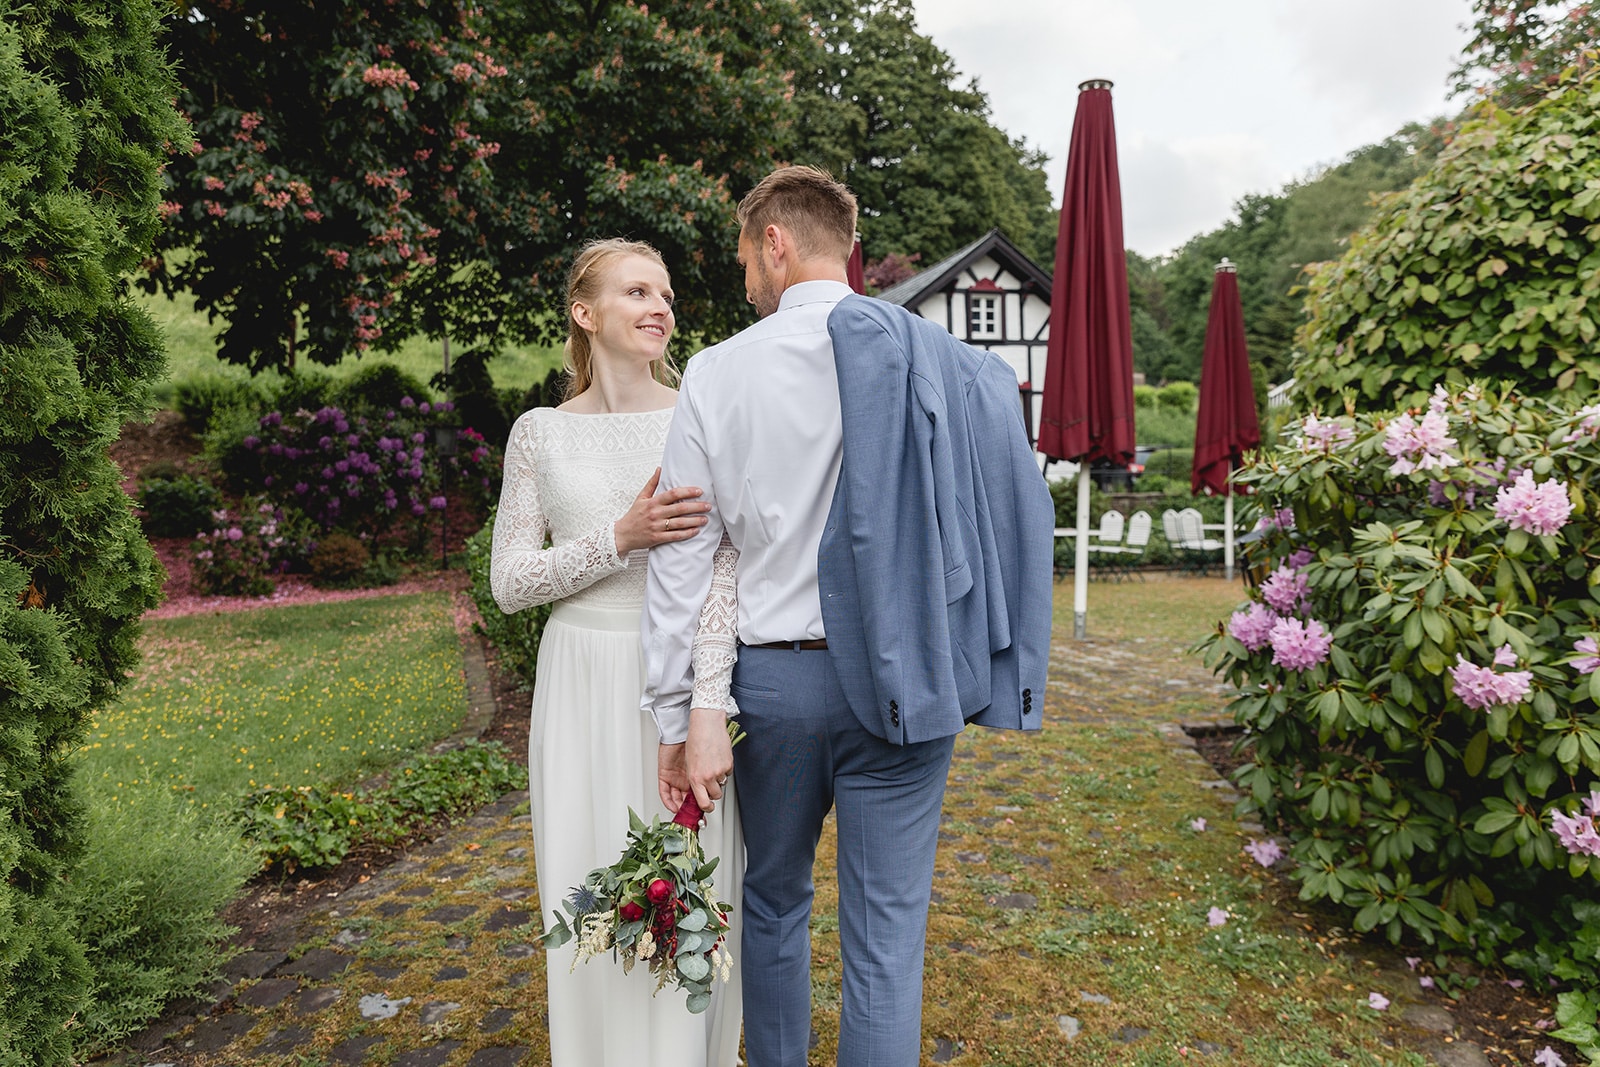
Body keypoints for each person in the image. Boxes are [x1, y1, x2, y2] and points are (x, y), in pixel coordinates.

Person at [642, 166, 1055, 1067]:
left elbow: (685, 560)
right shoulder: (945, 361)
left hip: (775, 684)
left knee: (775, 900)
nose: (745, 278)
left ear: (777, 243)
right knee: (887, 935)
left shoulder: (717, 372)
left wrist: (682, 713)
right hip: (908, 671)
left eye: (747, 257)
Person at [489, 237, 743, 1067]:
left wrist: (706, 700)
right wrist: (617, 538)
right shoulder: (538, 434)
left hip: (675, 681)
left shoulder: (697, 418)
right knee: (586, 870)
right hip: (578, 679)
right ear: (584, 313)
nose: (659, 306)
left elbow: (727, 565)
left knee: (685, 880)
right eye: (636, 291)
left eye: (664, 292)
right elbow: (510, 581)